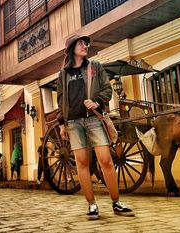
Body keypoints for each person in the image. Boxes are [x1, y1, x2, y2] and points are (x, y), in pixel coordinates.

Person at [57, 35, 134, 220]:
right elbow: (61, 100)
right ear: (72, 48)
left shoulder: (95, 67)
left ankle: (116, 202)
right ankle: (92, 205)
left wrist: (97, 101)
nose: (85, 46)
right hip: (73, 123)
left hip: (93, 119)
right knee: (82, 163)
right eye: (81, 43)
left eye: (86, 43)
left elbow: (107, 89)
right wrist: (62, 124)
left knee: (105, 160)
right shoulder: (63, 74)